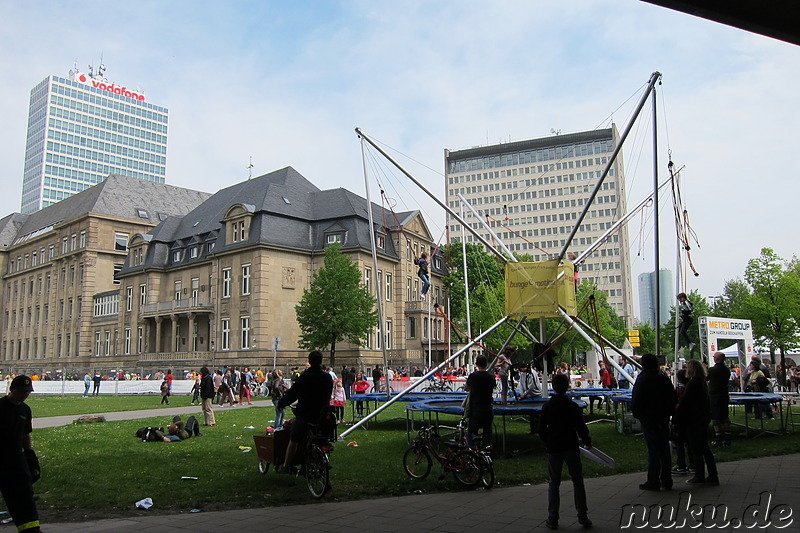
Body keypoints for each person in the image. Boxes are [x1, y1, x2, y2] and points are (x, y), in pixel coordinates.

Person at [540, 373, 592, 530]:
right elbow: (580, 426)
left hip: (555, 446)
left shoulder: (547, 407)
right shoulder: (572, 406)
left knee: (554, 483)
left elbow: (541, 429)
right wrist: (586, 440)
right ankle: (582, 515)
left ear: (553, 386)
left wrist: (547, 440)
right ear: (567, 385)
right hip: (570, 445)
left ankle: (553, 517)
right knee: (577, 481)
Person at [276, 351, 334, 473]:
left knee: (294, 437)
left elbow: (293, 393)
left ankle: (286, 465)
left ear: (310, 361)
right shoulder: (327, 377)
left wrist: (282, 403)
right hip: (322, 414)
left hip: (306, 414)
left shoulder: (306, 377)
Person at [0, 375, 41, 533]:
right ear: (13, 390)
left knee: (23, 494)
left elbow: (26, 435)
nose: (25, 395)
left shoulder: (25, 409)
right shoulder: (1, 406)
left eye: (28, 392)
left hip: (16, 458)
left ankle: (30, 529)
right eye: (22, 391)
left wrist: (30, 455)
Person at [631, 353, 678, 491]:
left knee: (653, 450)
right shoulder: (663, 378)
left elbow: (637, 399)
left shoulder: (643, 379)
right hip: (662, 418)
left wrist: (638, 414)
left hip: (648, 419)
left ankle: (653, 480)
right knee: (664, 449)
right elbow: (672, 397)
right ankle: (666, 478)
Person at [676, 360, 719, 485]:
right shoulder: (701, 382)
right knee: (704, 447)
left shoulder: (693, 383)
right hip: (702, 417)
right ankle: (712, 474)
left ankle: (699, 474)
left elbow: (685, 401)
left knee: (696, 448)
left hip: (694, 419)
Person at [464, 354, 495, 449]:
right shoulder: (491, 377)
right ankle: (486, 449)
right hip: (488, 406)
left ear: (477, 364)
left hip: (476, 407)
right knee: (487, 431)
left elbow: (466, 388)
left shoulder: (473, 376)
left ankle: (472, 449)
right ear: (486, 364)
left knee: (472, 431)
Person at [707, 351, 732, 447]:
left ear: (716, 359)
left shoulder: (712, 370)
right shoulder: (727, 370)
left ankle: (718, 439)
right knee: (725, 416)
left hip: (714, 396)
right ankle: (727, 438)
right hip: (724, 395)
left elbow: (706, 378)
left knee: (716, 417)